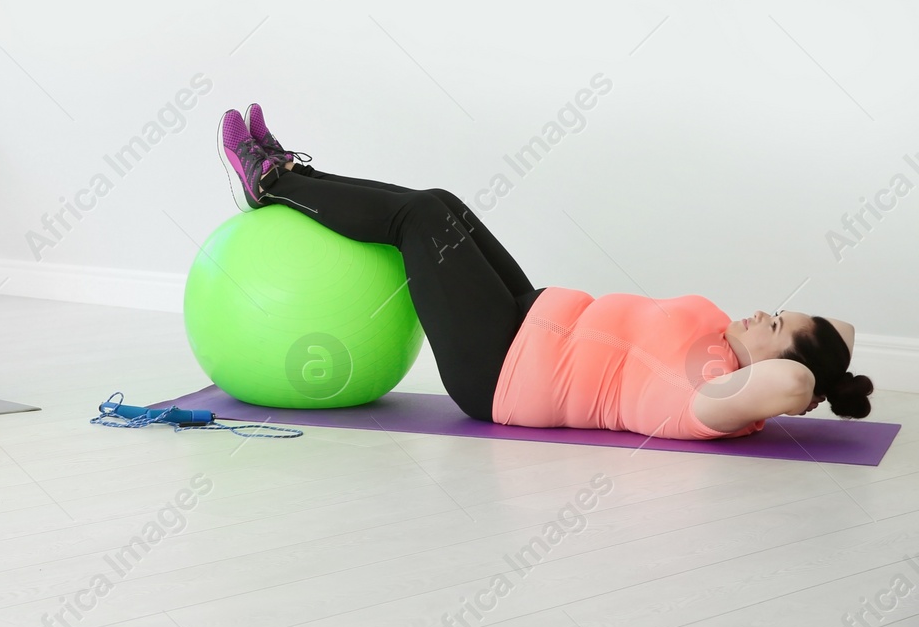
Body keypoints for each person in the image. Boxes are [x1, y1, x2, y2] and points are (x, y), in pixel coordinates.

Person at [217, 104, 874, 439]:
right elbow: (833, 338)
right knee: (442, 205)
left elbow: (792, 380)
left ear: (774, 361)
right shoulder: (722, 340)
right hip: (528, 314)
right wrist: (831, 367)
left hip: (500, 370)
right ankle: (289, 171)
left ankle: (271, 180)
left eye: (776, 323)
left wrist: (817, 379)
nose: (762, 311)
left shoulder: (712, 397)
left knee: (415, 221)